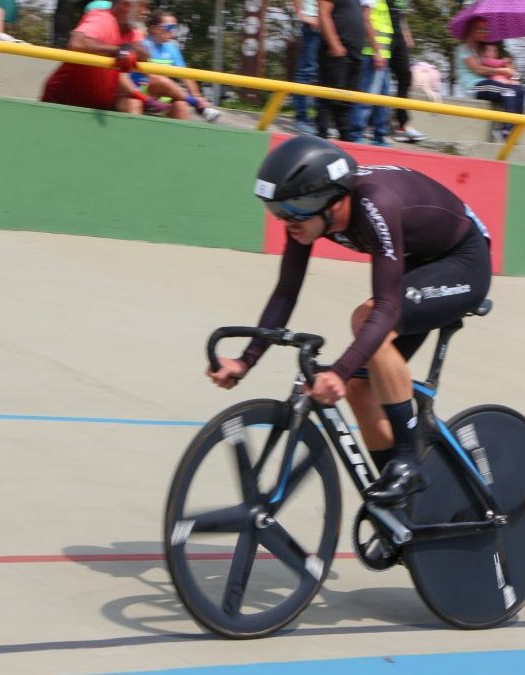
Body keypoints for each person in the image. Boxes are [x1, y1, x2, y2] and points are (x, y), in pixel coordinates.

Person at [209, 136, 493, 503]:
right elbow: (285, 292)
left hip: (463, 261)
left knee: (367, 320)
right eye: (276, 210)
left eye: (295, 207)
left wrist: (338, 372)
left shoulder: (376, 203)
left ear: (332, 198)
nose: (286, 219)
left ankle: (409, 463)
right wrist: (247, 360)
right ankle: (402, 512)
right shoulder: (305, 218)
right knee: (361, 388)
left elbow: (387, 307)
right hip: (419, 265)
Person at [41, 0, 170, 116]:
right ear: (126, 4)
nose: (146, 12)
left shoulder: (132, 31)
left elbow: (144, 55)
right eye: (143, 6)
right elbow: (76, 43)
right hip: (63, 105)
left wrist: (127, 48)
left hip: (95, 109)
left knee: (133, 104)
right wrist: (117, 50)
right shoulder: (101, 18)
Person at [131, 12, 221, 122]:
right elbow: (154, 80)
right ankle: (197, 105)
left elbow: (185, 75)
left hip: (163, 95)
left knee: (181, 105)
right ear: (154, 28)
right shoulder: (142, 46)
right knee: (160, 80)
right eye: (169, 27)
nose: (172, 31)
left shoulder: (172, 48)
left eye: (175, 27)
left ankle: (194, 106)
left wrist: (197, 95)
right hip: (142, 93)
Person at [454, 18, 525, 141]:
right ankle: (504, 129)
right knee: (509, 92)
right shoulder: (464, 49)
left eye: (486, 29)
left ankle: (513, 128)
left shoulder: (482, 50)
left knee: (520, 90)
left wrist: (508, 69)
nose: (484, 32)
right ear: (471, 30)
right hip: (475, 86)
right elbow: (479, 70)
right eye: (480, 29)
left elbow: (493, 65)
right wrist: (502, 71)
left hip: (488, 84)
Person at [316, 0, 375, 142]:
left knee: (347, 101)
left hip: (355, 52)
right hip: (337, 50)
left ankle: (345, 139)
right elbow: (324, 14)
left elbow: (364, 19)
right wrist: (334, 44)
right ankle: (321, 135)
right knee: (328, 97)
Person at [349, 0, 392, 146]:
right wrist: (377, 52)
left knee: (384, 98)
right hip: (373, 55)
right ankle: (356, 133)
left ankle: (379, 135)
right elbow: (366, 20)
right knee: (368, 96)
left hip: (383, 55)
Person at [386, 0, 427, 143]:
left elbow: (401, 14)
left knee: (405, 77)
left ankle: (402, 126)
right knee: (380, 80)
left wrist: (406, 34)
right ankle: (370, 125)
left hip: (398, 38)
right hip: (384, 35)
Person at [291, 0, 321, 135]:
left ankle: (319, 119)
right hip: (313, 23)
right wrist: (301, 14)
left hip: (327, 24)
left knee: (322, 73)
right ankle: (301, 118)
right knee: (307, 70)